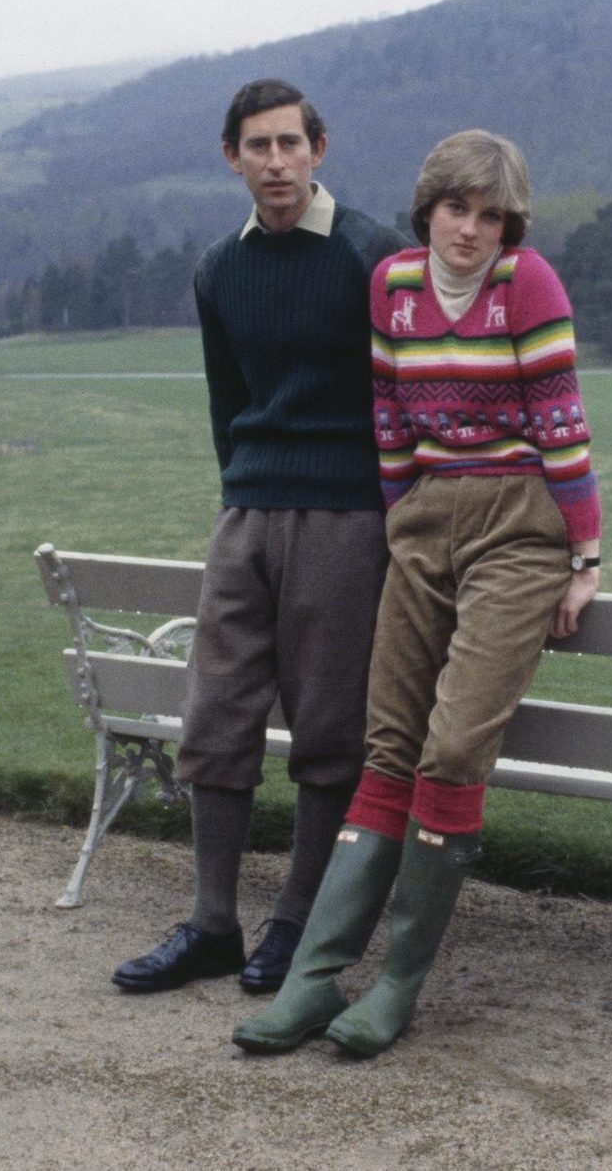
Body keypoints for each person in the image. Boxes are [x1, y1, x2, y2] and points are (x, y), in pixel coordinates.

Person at [235, 128, 600, 1057]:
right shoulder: (393, 286)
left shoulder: (527, 285)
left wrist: (583, 555)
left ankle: (395, 985)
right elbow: (390, 416)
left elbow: (561, 424)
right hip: (425, 520)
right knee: (386, 746)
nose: (471, 231)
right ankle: (314, 982)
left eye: (490, 215)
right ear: (426, 209)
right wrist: (406, 520)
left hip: (519, 529)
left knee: (449, 750)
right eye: (455, 209)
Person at [111, 79, 408, 995]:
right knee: (216, 714)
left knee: (328, 727)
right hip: (245, 514)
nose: (274, 162)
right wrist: (243, 494)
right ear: (231, 157)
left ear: (319, 148)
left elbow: (406, 399)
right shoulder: (218, 270)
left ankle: (297, 922)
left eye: (289, 144)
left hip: (348, 519)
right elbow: (225, 401)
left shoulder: (371, 257)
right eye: (256, 147)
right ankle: (211, 924)